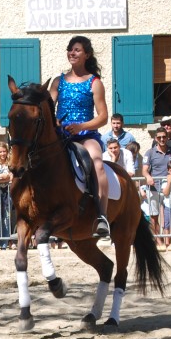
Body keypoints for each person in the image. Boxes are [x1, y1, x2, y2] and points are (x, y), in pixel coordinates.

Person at [49, 35, 110, 239]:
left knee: (97, 162)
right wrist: (54, 122)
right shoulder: (58, 81)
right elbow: (48, 109)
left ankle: (102, 216)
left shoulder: (94, 82)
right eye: (70, 49)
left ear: (87, 54)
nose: (72, 53)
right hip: (60, 136)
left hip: (86, 135)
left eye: (76, 50)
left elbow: (103, 117)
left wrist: (80, 126)